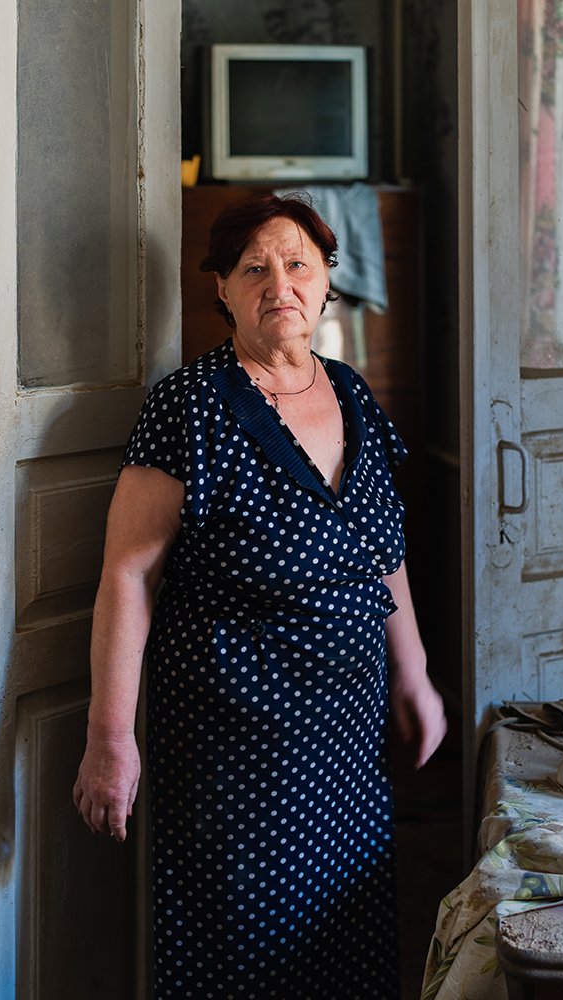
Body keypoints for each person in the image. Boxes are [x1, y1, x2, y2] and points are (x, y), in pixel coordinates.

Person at [73, 191, 447, 998]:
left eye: (298, 264)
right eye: (255, 268)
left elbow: (384, 555)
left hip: (346, 736)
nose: (280, 282)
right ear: (223, 291)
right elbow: (128, 577)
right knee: (240, 945)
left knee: (342, 931)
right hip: (234, 743)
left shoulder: (353, 393)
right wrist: (112, 738)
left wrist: (412, 675)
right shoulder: (189, 407)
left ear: (324, 284)